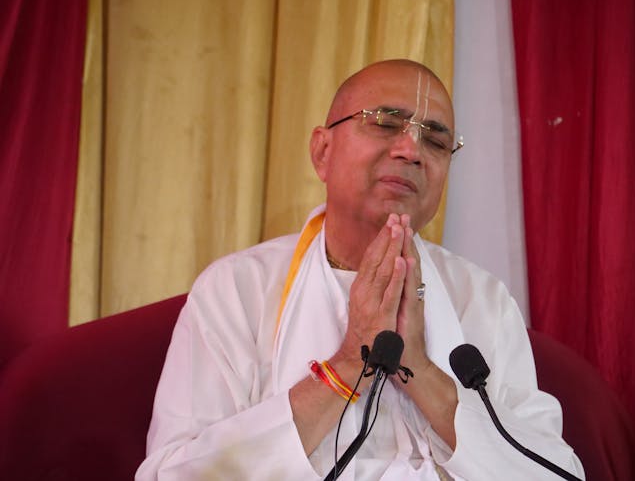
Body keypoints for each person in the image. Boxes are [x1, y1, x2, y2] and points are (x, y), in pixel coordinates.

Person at [136, 59, 584, 480]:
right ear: (322, 151)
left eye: (435, 139)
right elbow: (177, 473)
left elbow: (551, 471)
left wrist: (419, 370)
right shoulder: (239, 290)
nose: (411, 150)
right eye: (386, 122)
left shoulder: (481, 299)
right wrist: (351, 360)